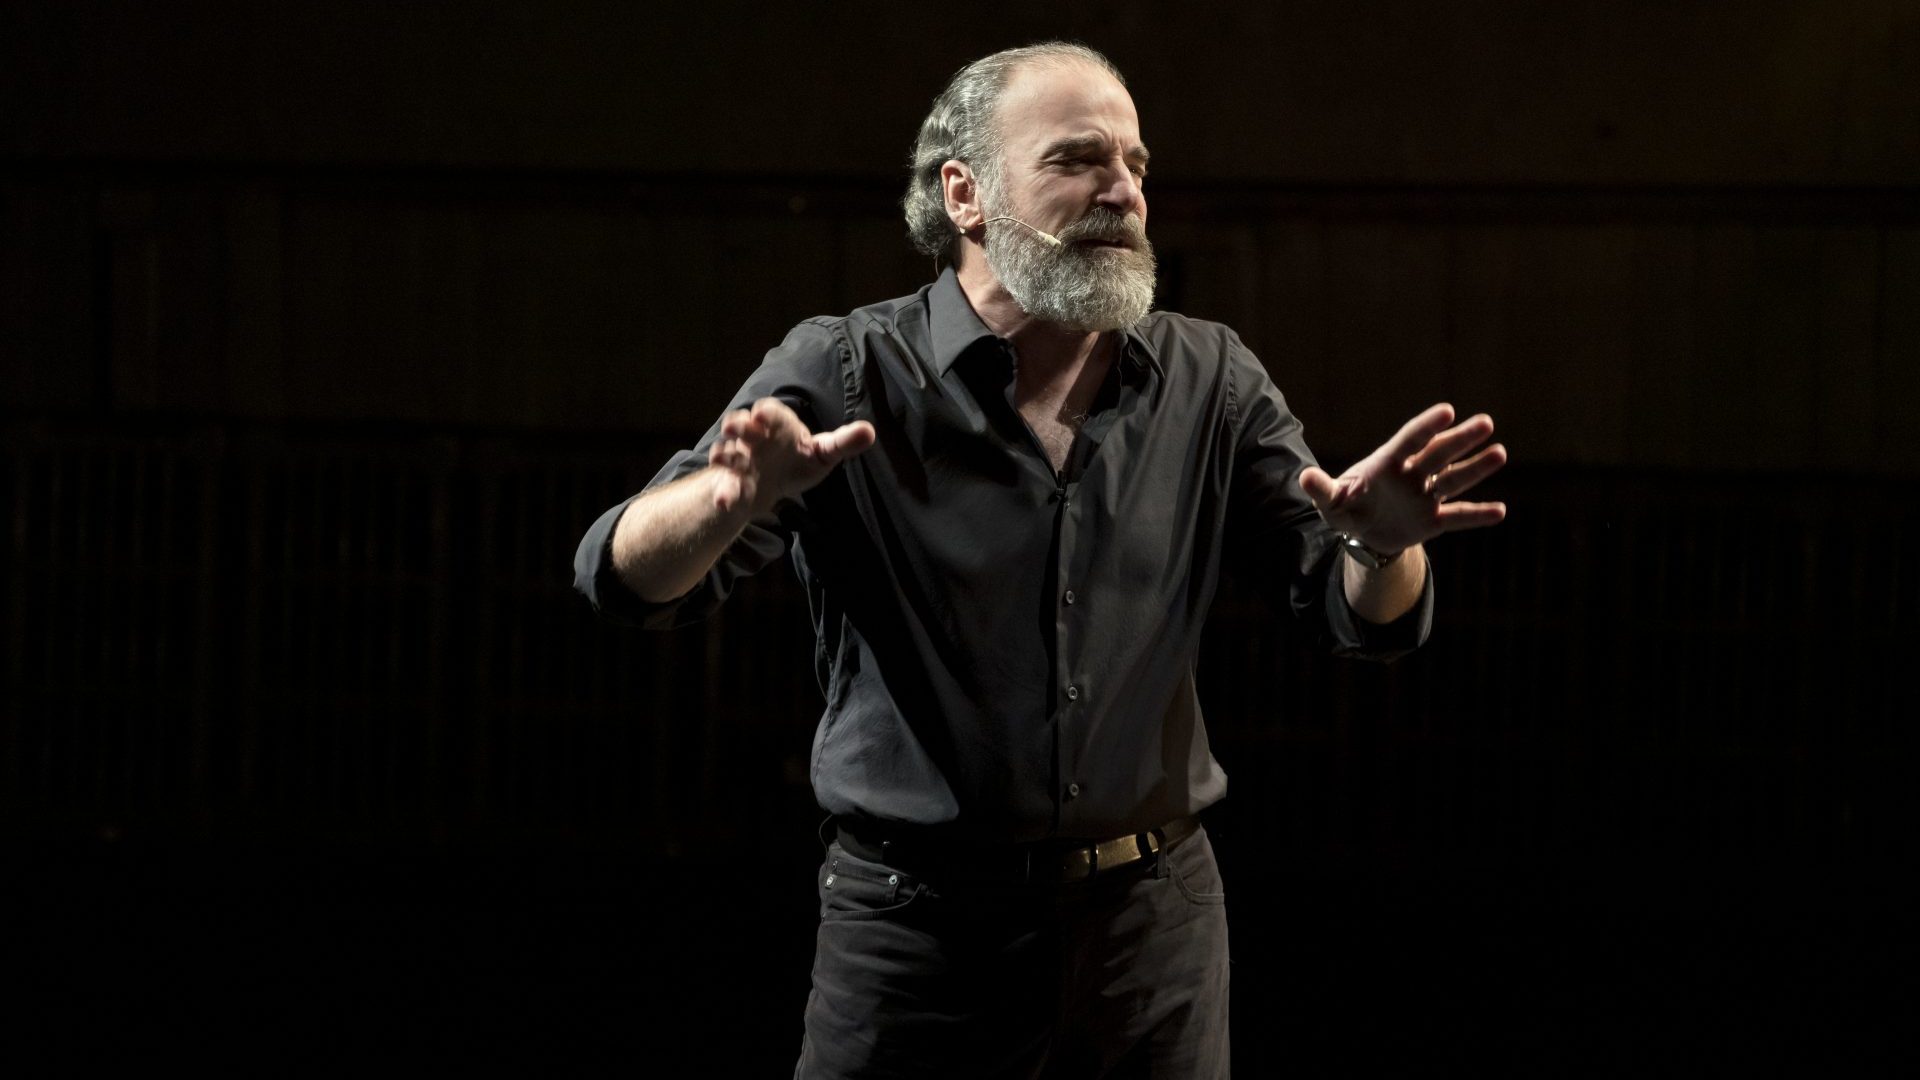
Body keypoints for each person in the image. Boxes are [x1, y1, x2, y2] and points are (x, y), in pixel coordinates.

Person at [574, 41, 1506, 1079]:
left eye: (1137, 165)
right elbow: (619, 577)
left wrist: (1379, 549)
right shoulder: (845, 369)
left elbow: (1359, 618)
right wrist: (727, 496)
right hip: (915, 933)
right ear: (965, 195)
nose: (1124, 190)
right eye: (1079, 160)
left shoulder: (1213, 380)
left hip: (1150, 936)